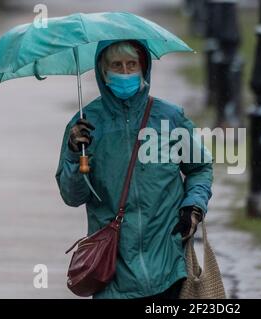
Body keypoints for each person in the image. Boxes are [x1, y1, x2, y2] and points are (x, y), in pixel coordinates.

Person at [55, 39, 213, 299]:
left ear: (144, 68)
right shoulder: (85, 125)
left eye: (132, 64)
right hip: (112, 270)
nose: (125, 72)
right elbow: (72, 197)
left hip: (168, 263)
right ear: (103, 73)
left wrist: (193, 207)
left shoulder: (170, 117)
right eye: (117, 65)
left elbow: (200, 167)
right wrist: (75, 155)